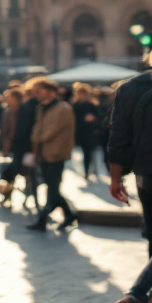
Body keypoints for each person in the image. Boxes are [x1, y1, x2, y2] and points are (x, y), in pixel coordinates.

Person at [107, 46, 152, 303]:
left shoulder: (132, 90)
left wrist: (115, 178)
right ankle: (137, 299)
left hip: (146, 176)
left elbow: (119, 134)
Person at [27, 79, 78, 231]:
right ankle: (68, 215)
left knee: (53, 187)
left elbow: (51, 130)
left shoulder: (63, 108)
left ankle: (44, 218)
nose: (37, 93)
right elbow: (37, 128)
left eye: (40, 90)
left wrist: (36, 138)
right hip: (44, 153)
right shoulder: (42, 108)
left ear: (50, 91)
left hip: (56, 153)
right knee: (52, 187)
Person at [72, 83, 102, 181]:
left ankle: (88, 171)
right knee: (84, 153)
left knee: (88, 153)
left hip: (90, 132)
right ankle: (88, 170)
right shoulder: (75, 105)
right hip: (80, 132)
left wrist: (93, 119)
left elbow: (99, 117)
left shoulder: (92, 105)